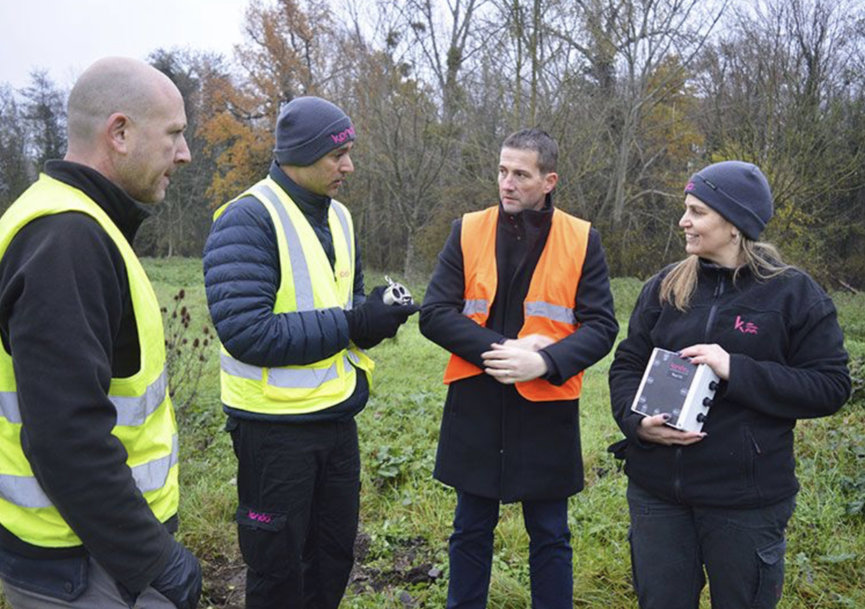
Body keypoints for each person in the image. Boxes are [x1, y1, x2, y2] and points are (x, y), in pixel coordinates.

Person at [0, 58, 201, 608]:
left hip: (93, 554)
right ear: (119, 133)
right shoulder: (67, 239)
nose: (184, 154)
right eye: (175, 135)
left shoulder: (76, 222)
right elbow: (65, 435)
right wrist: (155, 559)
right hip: (85, 568)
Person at [202, 96, 418, 609]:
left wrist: (376, 318)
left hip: (336, 420)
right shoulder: (246, 219)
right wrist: (352, 323)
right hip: (273, 431)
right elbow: (247, 332)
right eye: (336, 155)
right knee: (277, 571)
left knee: (331, 558)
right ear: (298, 154)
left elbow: (347, 310)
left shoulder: (339, 217)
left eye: (348, 152)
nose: (349, 165)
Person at [608, 160, 851, 609]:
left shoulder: (793, 294)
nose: (684, 220)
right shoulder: (664, 286)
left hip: (745, 501)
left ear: (735, 223)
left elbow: (831, 385)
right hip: (658, 492)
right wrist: (636, 424)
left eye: (697, 211)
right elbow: (626, 365)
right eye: (686, 209)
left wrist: (735, 369)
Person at [419, 128, 618, 609]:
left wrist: (544, 361)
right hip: (476, 401)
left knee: (550, 533)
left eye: (521, 175)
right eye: (503, 171)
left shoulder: (581, 237)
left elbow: (602, 326)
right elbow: (434, 313)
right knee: (469, 529)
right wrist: (503, 350)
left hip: (546, 406)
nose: (507, 183)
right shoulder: (467, 229)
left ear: (549, 180)